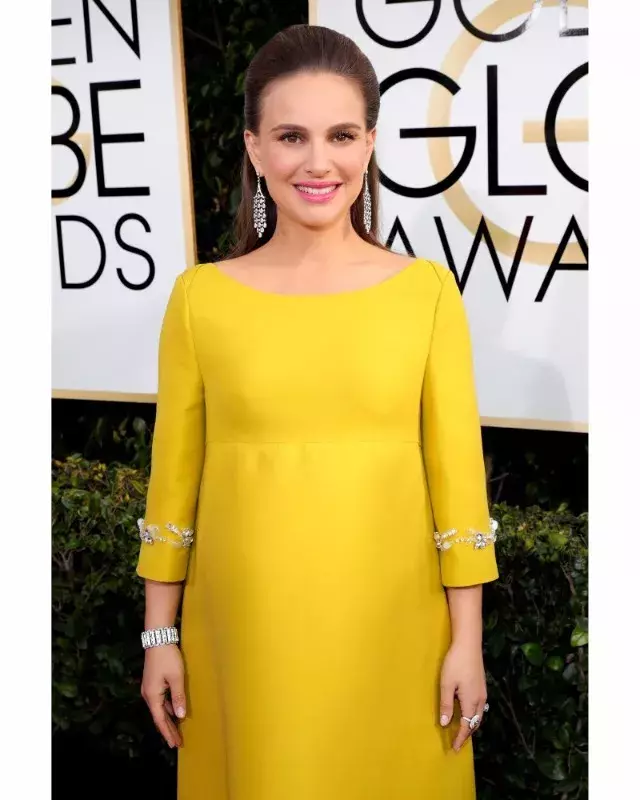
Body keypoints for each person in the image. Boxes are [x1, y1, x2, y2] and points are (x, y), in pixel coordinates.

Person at [136, 23, 498, 800]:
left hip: (395, 635)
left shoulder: (426, 294)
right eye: (291, 136)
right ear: (254, 148)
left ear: (370, 144)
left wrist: (467, 641)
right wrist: (159, 635)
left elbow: (459, 490)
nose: (317, 162)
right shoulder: (201, 299)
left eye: (340, 135)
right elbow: (172, 488)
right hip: (246, 640)